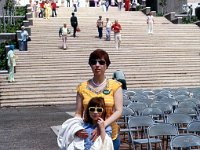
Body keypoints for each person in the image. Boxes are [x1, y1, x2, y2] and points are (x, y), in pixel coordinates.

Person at [75, 49, 123, 150]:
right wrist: (76, 128)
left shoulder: (115, 86)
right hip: (88, 135)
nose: (97, 65)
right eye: (93, 62)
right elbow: (78, 113)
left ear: (107, 65)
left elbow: (118, 111)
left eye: (101, 62)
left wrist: (102, 125)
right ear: (90, 65)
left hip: (110, 135)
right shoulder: (82, 87)